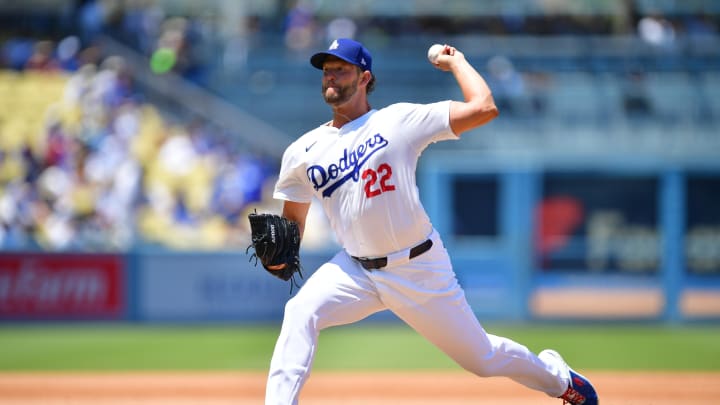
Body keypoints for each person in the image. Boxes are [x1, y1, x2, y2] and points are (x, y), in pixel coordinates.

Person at [265, 38, 599, 405]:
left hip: (418, 266)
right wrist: (280, 253)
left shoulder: (397, 120)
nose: (330, 77)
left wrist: (457, 63)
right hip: (355, 269)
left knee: (482, 359)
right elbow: (292, 222)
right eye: (326, 70)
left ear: (364, 77)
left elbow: (484, 108)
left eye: (340, 69)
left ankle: (559, 378)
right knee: (300, 311)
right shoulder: (302, 150)